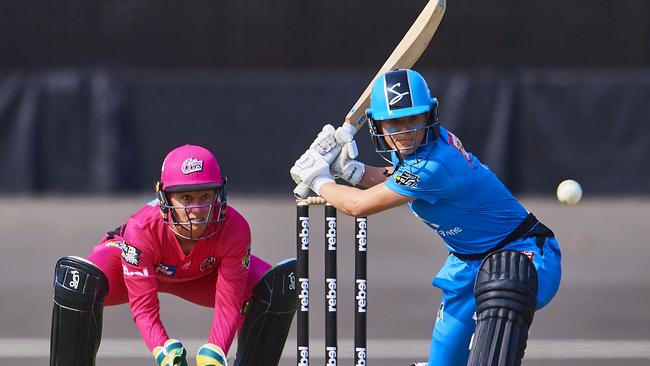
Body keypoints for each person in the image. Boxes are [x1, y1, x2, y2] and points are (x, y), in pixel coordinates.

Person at [290, 69, 562, 366]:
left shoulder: (435, 164)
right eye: (394, 122)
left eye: (413, 120)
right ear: (378, 124)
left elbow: (358, 206)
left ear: (428, 116)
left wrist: (317, 178)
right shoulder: (415, 151)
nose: (404, 132)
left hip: (524, 255)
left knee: (504, 281)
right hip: (467, 266)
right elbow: (397, 179)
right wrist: (352, 171)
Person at [50, 144, 297, 366]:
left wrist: (215, 352)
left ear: (218, 194)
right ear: (165, 198)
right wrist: (162, 350)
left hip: (202, 275)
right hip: (128, 269)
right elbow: (144, 309)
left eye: (205, 196)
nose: (197, 210)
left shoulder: (235, 228)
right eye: (186, 198)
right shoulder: (142, 230)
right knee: (79, 282)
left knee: (276, 286)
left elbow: (229, 302)